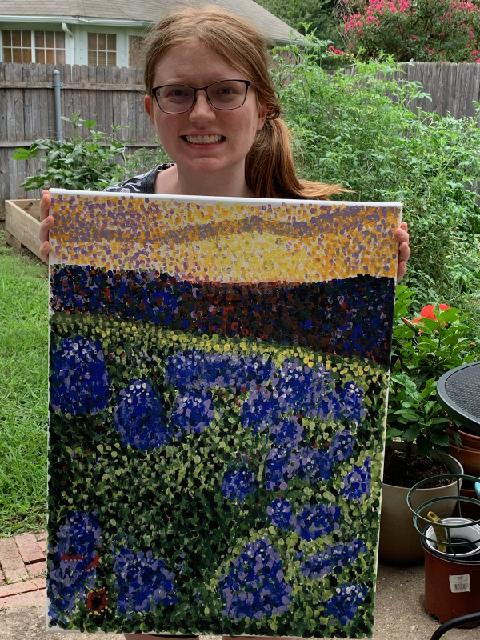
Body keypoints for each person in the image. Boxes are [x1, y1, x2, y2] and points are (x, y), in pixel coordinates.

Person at [40, 5, 410, 638]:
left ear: (261, 104)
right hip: (146, 498)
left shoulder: (319, 234)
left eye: (225, 91)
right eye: (178, 93)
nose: (202, 113)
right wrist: (69, 269)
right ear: (152, 108)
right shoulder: (111, 221)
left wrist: (375, 281)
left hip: (265, 491)